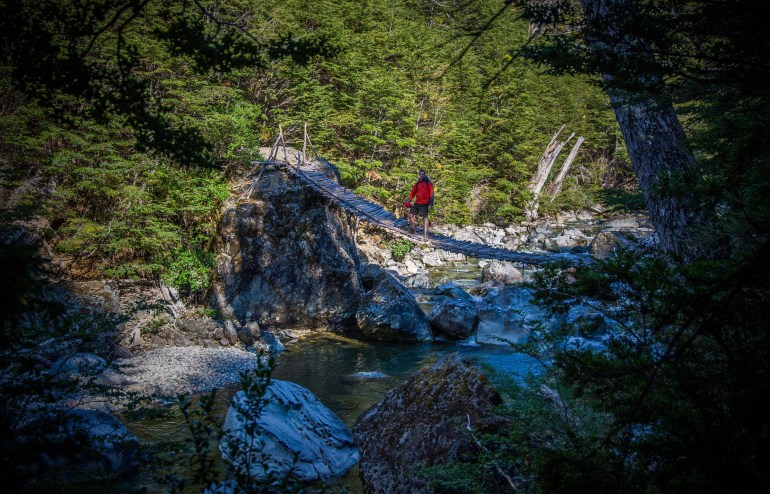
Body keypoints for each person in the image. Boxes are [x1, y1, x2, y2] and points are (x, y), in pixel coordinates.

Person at [406, 169, 434, 239]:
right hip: (417, 202)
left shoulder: (428, 183)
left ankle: (425, 234)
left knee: (425, 217)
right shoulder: (417, 183)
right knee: (410, 215)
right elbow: (412, 193)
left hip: (425, 203)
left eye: (423, 174)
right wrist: (408, 201)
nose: (421, 176)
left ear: (425, 175)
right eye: (420, 174)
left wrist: (431, 203)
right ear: (419, 175)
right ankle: (413, 228)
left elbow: (432, 194)